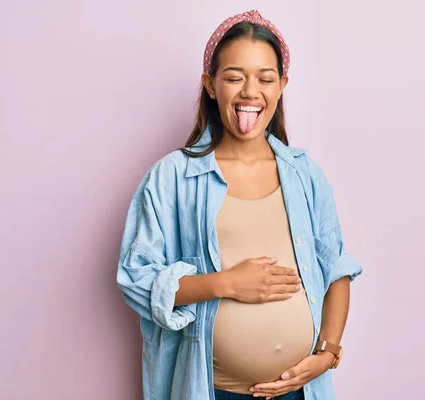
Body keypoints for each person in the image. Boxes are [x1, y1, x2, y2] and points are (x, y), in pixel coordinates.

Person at [117, 9, 363, 400]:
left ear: (281, 85)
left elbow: (337, 270)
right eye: (234, 77)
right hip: (212, 390)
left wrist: (328, 352)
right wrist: (226, 283)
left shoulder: (305, 175)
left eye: (265, 78)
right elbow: (136, 279)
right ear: (211, 85)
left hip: (300, 389)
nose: (250, 91)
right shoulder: (173, 177)